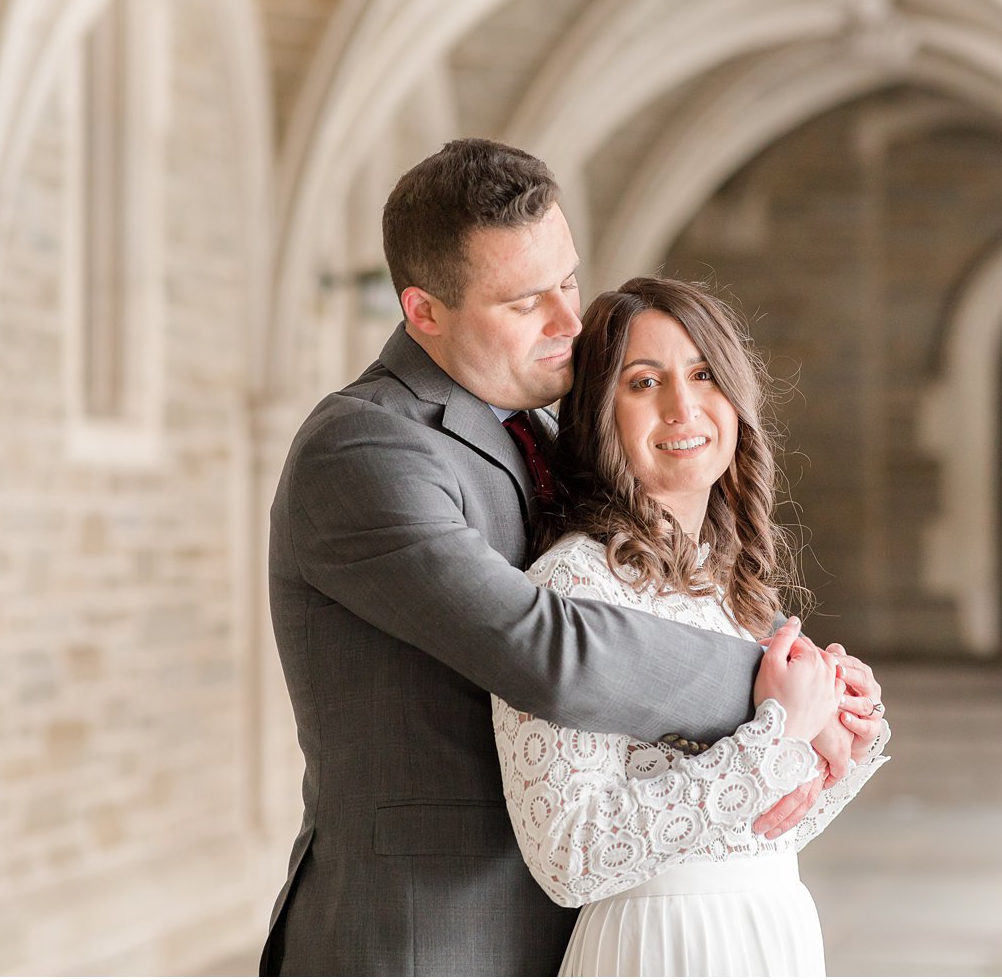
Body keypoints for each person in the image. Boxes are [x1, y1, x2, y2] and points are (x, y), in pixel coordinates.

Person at [260, 139, 885, 976]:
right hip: (424, 937)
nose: (568, 321)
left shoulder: (552, 435)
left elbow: (663, 583)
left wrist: (822, 691)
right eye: (525, 302)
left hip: (592, 932)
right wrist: (770, 689)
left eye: (568, 280)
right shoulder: (368, 447)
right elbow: (547, 648)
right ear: (424, 311)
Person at [494, 276, 890, 976]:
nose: (683, 406)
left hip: (772, 929)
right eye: (644, 383)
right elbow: (568, 854)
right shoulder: (572, 587)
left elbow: (756, 832)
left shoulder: (732, 582)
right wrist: (781, 732)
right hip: (660, 945)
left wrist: (839, 739)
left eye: (704, 374)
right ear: (598, 414)